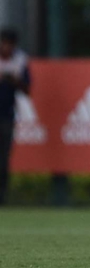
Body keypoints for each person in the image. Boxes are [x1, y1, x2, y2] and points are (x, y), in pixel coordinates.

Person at [0, 28, 30, 206]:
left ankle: (2, 198)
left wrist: (12, 79)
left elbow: (27, 89)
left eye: (10, 45)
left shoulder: (19, 60)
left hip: (6, 115)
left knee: (3, 160)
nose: (7, 48)